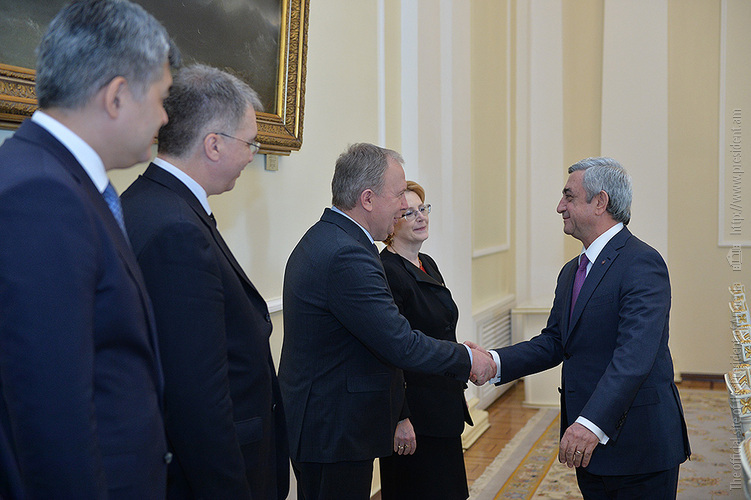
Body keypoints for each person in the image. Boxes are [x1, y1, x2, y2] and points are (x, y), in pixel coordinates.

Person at [0, 0, 180, 498]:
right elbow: (51, 412)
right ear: (117, 96)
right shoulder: (41, 194)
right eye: (162, 98)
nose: (165, 117)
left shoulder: (60, 179)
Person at [279, 143, 496, 500]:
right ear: (367, 199)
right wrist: (467, 359)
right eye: (397, 196)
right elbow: (400, 342)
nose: (401, 207)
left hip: (327, 423)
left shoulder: (331, 236)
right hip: (334, 429)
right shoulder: (347, 253)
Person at [474, 157, 691, 498]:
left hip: (637, 445)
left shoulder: (641, 263)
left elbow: (634, 357)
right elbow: (555, 341)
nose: (560, 206)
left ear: (600, 202)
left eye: (569, 196)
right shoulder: (571, 271)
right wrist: (494, 362)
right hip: (590, 446)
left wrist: (591, 423)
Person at [121, 64, 289, 499]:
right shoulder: (176, 230)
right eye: (249, 143)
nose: (252, 155)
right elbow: (196, 399)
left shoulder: (147, 202)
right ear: (213, 144)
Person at [378, 181, 473, 500]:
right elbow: (390, 352)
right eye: (409, 212)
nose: (421, 217)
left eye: (423, 208)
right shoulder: (387, 272)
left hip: (442, 406)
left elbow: (441, 330)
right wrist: (399, 416)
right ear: (392, 221)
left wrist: (459, 372)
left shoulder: (426, 263)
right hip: (416, 416)